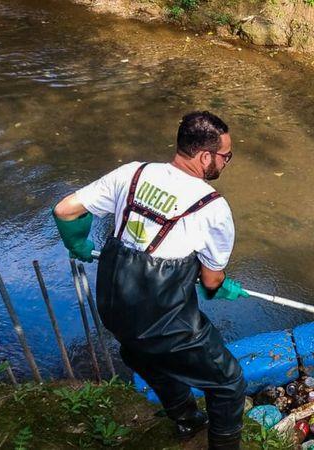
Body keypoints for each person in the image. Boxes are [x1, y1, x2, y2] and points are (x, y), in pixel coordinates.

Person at [52, 111, 247, 449]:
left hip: (116, 309)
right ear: (205, 157)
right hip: (163, 319)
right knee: (229, 382)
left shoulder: (132, 173)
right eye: (225, 156)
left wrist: (77, 242)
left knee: (142, 354)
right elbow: (212, 280)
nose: (226, 162)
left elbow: (65, 210)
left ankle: (187, 420)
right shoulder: (213, 208)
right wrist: (219, 286)